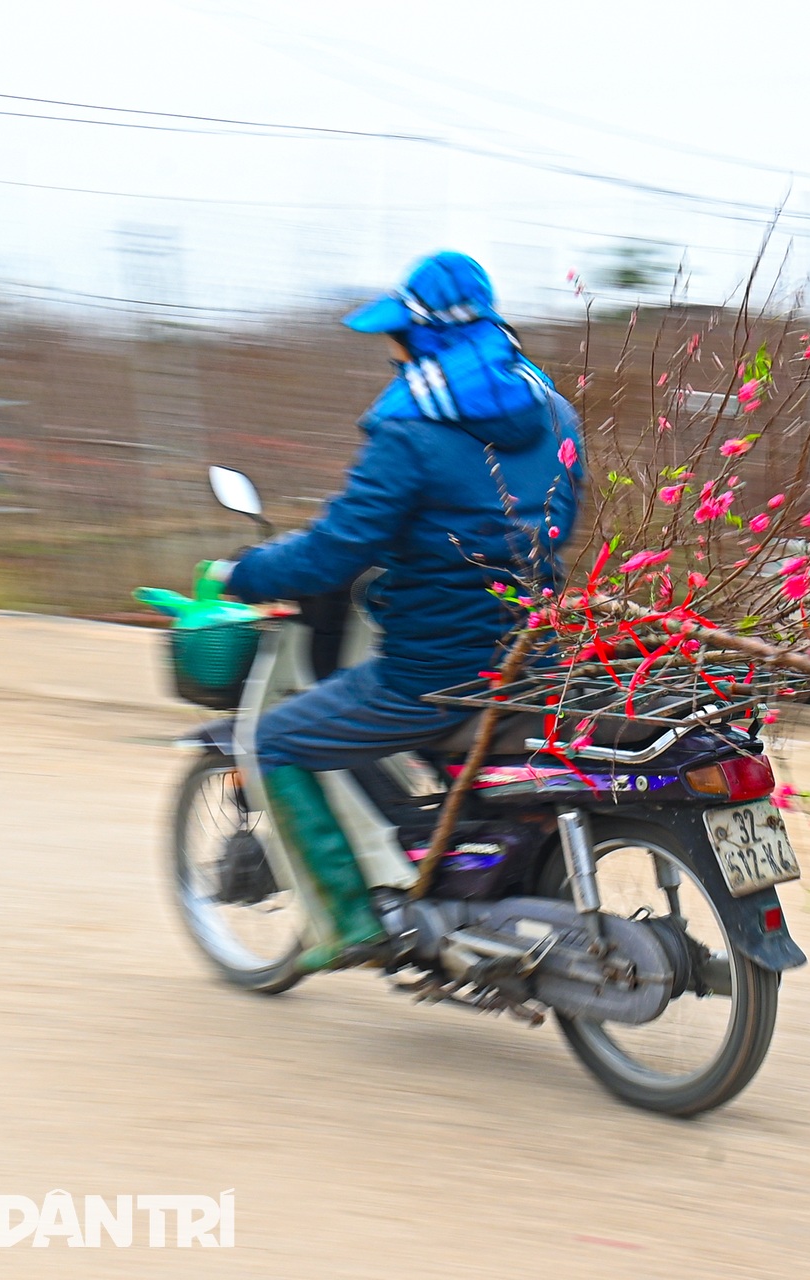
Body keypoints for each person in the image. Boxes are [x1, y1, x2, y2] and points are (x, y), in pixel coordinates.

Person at [222, 251, 582, 971]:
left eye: (395, 336)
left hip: (435, 672)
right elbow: (555, 519)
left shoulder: (410, 428)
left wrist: (245, 572)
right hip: (535, 654)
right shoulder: (551, 407)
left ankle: (348, 924)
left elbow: (333, 552)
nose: (389, 350)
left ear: (420, 337)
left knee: (271, 741)